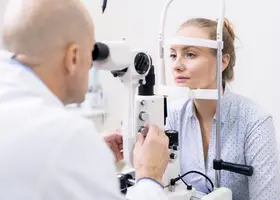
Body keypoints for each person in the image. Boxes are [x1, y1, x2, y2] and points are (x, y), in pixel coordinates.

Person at [0, 0, 169, 199]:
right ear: (73, 57)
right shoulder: (66, 135)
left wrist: (84, 157)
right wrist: (150, 176)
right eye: (90, 54)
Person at [165, 17, 280, 199]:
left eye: (190, 54)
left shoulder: (255, 121)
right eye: (173, 55)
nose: (176, 65)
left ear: (222, 62)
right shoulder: (172, 116)